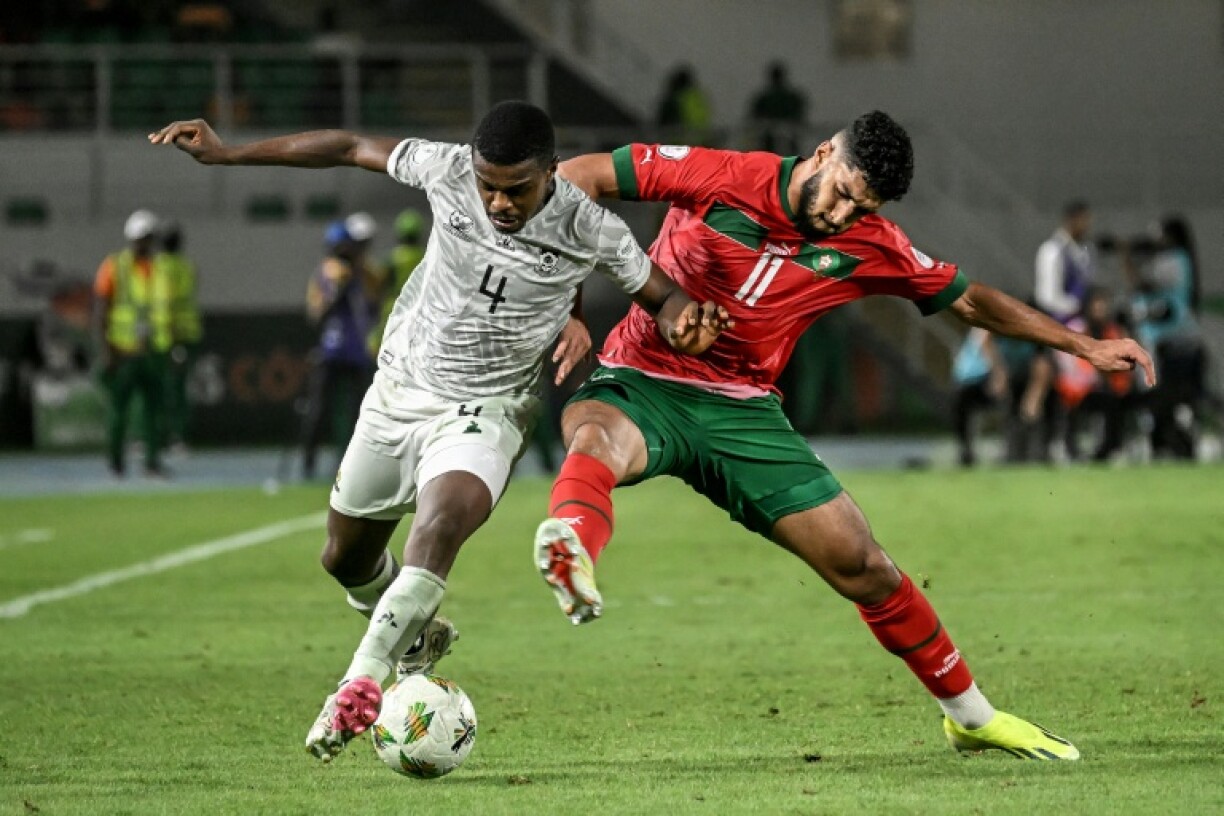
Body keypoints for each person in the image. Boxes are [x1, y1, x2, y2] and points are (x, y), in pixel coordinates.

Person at [534, 111, 1155, 761]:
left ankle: (972, 717)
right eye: (842, 190)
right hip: (643, 381)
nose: (841, 215)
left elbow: (968, 301)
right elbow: (578, 178)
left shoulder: (873, 240)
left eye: (862, 207)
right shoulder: (720, 174)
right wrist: (569, 304)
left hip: (746, 415)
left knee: (865, 565)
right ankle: (571, 550)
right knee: (596, 443)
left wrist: (1083, 343)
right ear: (824, 151)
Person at [149, 101, 731, 763]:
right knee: (343, 559)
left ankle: (358, 684)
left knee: (440, 523)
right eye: (488, 186)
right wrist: (229, 154)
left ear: (551, 173)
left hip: (487, 410)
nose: (498, 202)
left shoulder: (591, 229)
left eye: (516, 189)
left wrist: (688, 322)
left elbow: (664, 298)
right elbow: (346, 144)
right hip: (400, 393)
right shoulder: (447, 168)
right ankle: (415, 641)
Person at [299, 216, 381, 480]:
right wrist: (335, 292)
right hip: (331, 350)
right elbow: (315, 314)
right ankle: (308, 463)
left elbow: (374, 300)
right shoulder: (325, 272)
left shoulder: (364, 271)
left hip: (357, 350)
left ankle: (349, 463)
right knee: (318, 409)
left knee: (358, 412)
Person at [92, 209, 172, 478]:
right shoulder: (114, 267)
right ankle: (115, 463)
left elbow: (164, 310)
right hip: (122, 352)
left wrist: (168, 345)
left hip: (153, 352)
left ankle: (151, 463)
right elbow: (101, 311)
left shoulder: (161, 267)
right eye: (142, 238)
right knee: (118, 412)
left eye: (150, 237)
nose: (146, 243)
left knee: (153, 411)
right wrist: (106, 350)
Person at [158, 220, 203, 453]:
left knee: (171, 388)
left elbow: (168, 303)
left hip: (172, 336)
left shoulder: (162, 267)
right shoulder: (188, 266)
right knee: (177, 388)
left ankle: (172, 437)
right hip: (185, 334)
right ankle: (174, 437)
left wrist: (172, 335)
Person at [1034, 200, 1095, 323]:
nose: (1087, 225)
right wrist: (1073, 309)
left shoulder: (1086, 250)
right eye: (1083, 220)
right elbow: (1046, 297)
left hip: (1080, 319)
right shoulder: (1052, 250)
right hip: (1056, 321)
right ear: (1071, 220)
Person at [747, 61, 808, 154]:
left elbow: (755, 115)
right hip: (788, 130)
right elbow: (799, 111)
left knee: (769, 154)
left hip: (770, 131)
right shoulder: (791, 97)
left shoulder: (764, 97)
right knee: (792, 153)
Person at [655, 65, 713, 146]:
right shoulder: (699, 98)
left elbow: (661, 125)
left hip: (678, 146)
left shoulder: (674, 100)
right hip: (699, 145)